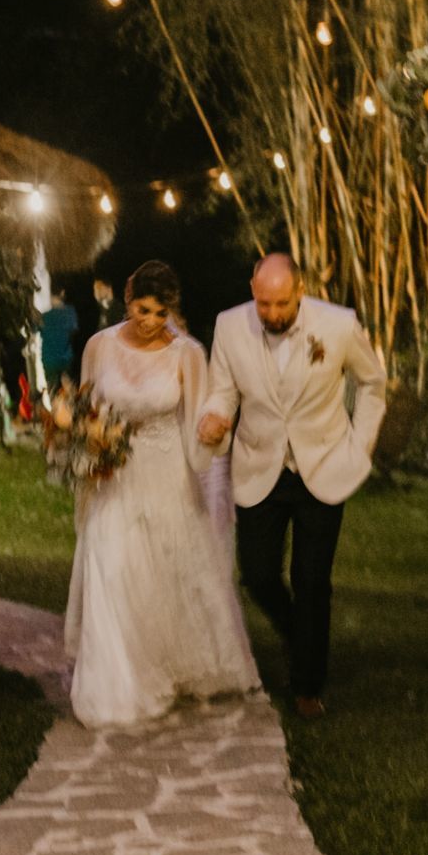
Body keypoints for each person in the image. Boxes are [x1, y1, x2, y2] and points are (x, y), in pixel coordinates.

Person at [63, 261, 261, 728]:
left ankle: (159, 663)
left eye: (158, 312)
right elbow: (86, 408)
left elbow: (201, 420)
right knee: (110, 568)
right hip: (112, 476)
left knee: (160, 576)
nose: (149, 321)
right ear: (127, 300)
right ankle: (113, 684)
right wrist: (82, 443)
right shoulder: (100, 346)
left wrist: (216, 431)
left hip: (167, 474)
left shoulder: (187, 353)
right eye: (140, 309)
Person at [198, 253, 387, 719]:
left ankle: (308, 684)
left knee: (312, 582)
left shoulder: (339, 325)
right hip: (259, 466)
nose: (274, 314)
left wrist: (360, 446)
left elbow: (373, 383)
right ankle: (298, 634)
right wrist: (215, 417)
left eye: (282, 303)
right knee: (258, 575)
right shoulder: (228, 326)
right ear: (252, 290)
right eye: (264, 304)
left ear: (300, 291)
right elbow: (223, 389)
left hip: (322, 467)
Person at [40, 288, 79, 396]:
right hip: (66, 357)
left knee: (53, 393)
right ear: (62, 292)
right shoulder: (70, 312)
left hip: (49, 360)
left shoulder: (44, 316)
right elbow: (73, 333)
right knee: (70, 393)